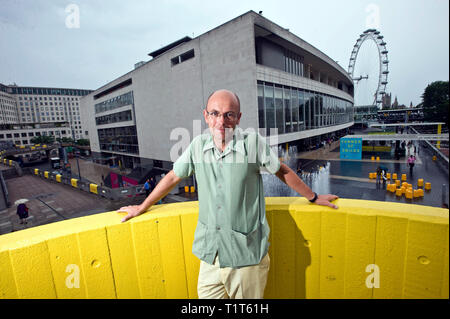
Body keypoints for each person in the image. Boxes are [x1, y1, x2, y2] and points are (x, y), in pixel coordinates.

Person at [117, 89, 338, 299]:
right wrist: (142, 206)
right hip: (210, 255)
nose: (221, 122)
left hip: (246, 258)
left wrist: (314, 197)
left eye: (228, 115)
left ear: (239, 118)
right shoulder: (197, 146)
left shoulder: (252, 143)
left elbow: (282, 171)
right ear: (206, 116)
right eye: (214, 114)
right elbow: (174, 176)